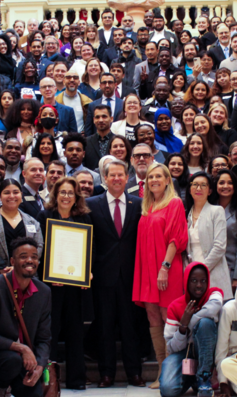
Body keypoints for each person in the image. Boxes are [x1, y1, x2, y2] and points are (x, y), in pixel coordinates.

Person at [86, 160, 146, 387]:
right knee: (104, 326)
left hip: (132, 276)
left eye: (121, 175)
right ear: (105, 178)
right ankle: (106, 374)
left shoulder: (139, 204)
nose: (117, 179)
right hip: (102, 277)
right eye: (112, 175)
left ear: (126, 177)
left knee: (131, 326)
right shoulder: (91, 205)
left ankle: (134, 373)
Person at [133, 163, 188, 389]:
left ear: (167, 180)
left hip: (166, 268)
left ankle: (173, 373)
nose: (153, 179)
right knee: (153, 318)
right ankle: (161, 370)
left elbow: (176, 238)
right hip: (147, 270)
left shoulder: (174, 203)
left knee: (169, 318)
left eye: (158, 176)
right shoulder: (148, 206)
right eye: (150, 177)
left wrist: (164, 267)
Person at [36, 177, 93, 390]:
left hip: (76, 285)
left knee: (75, 331)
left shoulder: (84, 217)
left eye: (71, 193)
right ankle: (49, 381)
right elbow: (40, 248)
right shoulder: (44, 216)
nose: (66, 196)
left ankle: (77, 379)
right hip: (51, 285)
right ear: (55, 195)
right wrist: (49, 273)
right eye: (63, 192)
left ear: (76, 196)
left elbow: (91, 248)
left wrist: (87, 270)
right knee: (50, 331)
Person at [0, 237, 52, 397]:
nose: (30, 260)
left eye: (34, 256)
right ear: (12, 260)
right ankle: (2, 389)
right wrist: (21, 348)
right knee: (12, 360)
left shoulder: (44, 292)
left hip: (27, 362)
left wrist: (39, 367)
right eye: (23, 256)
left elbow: (44, 337)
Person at [160, 262, 223, 397]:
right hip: (184, 354)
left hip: (208, 352)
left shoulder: (214, 294)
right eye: (194, 281)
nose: (199, 285)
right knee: (168, 390)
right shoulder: (175, 306)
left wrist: (189, 322)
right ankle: (192, 379)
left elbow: (211, 310)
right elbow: (171, 348)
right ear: (186, 282)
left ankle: (204, 378)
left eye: (203, 281)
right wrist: (182, 326)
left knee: (205, 323)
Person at [0, 178, 43, 276]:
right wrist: (1, 267)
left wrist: (19, 267)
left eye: (15, 192)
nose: (12, 196)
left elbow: (38, 246)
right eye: (7, 193)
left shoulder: (33, 222)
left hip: (25, 276)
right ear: (0, 196)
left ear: (21, 195)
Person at [185, 172, 233, 300]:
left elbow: (220, 246)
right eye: (195, 184)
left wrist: (202, 271)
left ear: (210, 191)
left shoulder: (216, 211)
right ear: (190, 189)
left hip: (213, 272)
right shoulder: (186, 215)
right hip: (192, 277)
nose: (198, 188)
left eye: (203, 185)